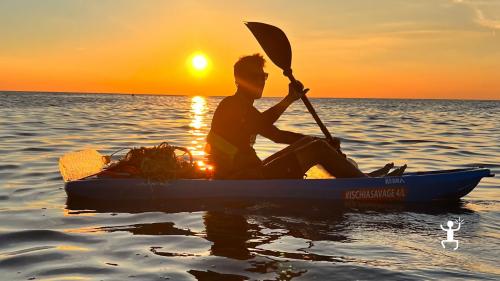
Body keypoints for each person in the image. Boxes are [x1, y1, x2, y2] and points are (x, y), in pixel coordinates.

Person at [205, 54, 405, 179]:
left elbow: (275, 133)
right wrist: (289, 100)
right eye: (254, 77)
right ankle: (365, 185)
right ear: (239, 80)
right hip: (242, 179)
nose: (261, 81)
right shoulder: (231, 105)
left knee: (312, 143)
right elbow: (266, 129)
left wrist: (321, 142)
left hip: (251, 173)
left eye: (263, 76)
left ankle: (360, 178)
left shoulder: (244, 107)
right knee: (316, 147)